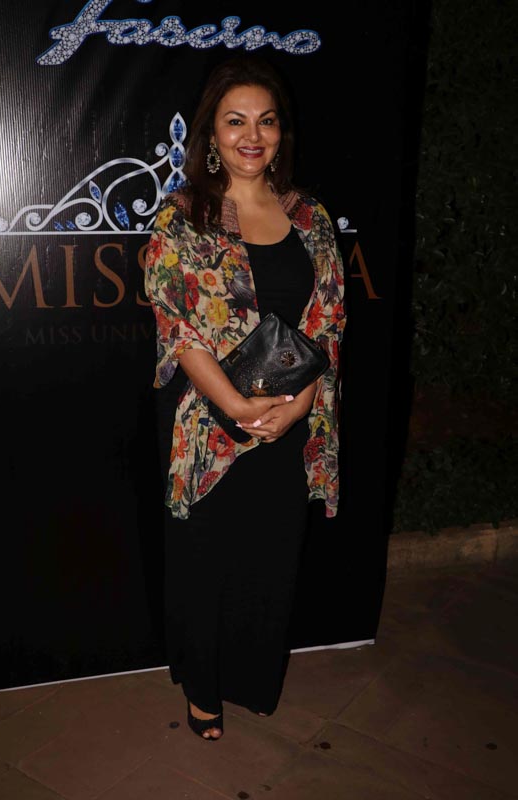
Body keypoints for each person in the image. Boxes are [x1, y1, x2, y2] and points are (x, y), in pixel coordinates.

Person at [144, 53, 346, 741]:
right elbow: (177, 327)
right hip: (211, 425)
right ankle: (202, 688)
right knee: (204, 563)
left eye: (266, 121)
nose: (251, 136)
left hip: (290, 421)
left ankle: (249, 677)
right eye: (235, 122)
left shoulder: (309, 217)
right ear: (211, 132)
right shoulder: (183, 218)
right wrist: (235, 407)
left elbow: (328, 319)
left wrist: (300, 404)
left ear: (281, 132)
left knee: (269, 560)